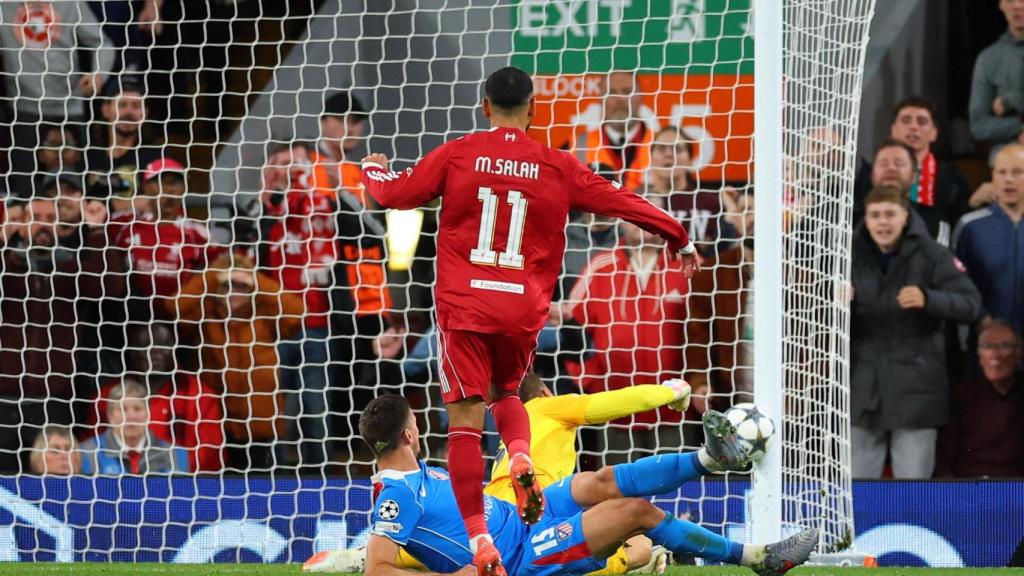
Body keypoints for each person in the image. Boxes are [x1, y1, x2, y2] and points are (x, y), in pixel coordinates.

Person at [360, 66, 696, 575]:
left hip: (466, 306)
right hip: (520, 309)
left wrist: (372, 168)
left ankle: (480, 538)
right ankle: (520, 453)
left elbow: (392, 196)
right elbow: (619, 199)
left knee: (466, 426)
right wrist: (676, 234)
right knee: (510, 395)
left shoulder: (459, 153)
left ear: (484, 106)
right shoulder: (556, 164)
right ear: (534, 110)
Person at [357, 394, 817, 576]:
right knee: (633, 511)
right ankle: (755, 558)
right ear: (411, 435)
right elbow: (378, 569)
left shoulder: (418, 475)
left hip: (522, 516)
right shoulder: (395, 496)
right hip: (521, 557)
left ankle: (708, 459)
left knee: (598, 480)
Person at [304, 373, 695, 575]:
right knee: (631, 542)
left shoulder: (507, 439)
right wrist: (669, 391)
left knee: (445, 542)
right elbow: (614, 402)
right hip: (534, 511)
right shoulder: (550, 408)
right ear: (544, 394)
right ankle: (653, 549)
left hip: (495, 508)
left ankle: (365, 555)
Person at [850, 186, 982, 479]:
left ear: (905, 217)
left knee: (913, 492)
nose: (882, 222)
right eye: (875, 215)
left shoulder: (933, 254)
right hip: (863, 392)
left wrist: (929, 299)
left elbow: (971, 305)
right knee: (856, 492)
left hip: (916, 392)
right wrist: (835, 300)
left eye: (889, 214)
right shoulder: (849, 255)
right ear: (866, 218)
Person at [556, 199, 695, 464]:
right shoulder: (600, 266)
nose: (642, 224)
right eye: (636, 217)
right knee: (614, 494)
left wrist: (697, 382)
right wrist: (591, 383)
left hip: (675, 406)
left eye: (651, 215)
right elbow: (573, 329)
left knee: (677, 491)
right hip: (616, 407)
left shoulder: (687, 266)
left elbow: (705, 332)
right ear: (622, 222)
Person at [0, 190, 126, 473]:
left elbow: (110, 288)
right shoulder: (9, 268)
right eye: (35, 218)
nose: (43, 225)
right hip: (3, 402)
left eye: (51, 218)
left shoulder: (73, 271)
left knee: (54, 488)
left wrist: (96, 229)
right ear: (20, 223)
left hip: (53, 404)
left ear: (62, 226)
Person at [169, 251, 304, 471]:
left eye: (242, 286)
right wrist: (213, 275)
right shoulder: (206, 312)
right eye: (228, 285)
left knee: (267, 493)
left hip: (262, 426)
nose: (235, 292)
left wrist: (254, 277)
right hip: (217, 423)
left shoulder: (264, 315)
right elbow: (173, 308)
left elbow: (297, 311)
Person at [0, 0, 114, 196]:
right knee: (27, 190)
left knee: (75, 188)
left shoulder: (70, 3)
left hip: (70, 106)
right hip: (23, 108)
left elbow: (102, 43)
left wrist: (98, 75)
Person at [93, 323, 225, 472]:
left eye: (163, 345)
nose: (154, 352)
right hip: (118, 483)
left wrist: (162, 471)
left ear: (175, 350)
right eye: (145, 345)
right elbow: (93, 449)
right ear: (131, 351)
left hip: (181, 484)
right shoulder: (107, 396)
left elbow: (209, 455)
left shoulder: (199, 395)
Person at [855, 97, 970, 247]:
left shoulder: (951, 179)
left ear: (934, 133)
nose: (913, 127)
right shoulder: (866, 176)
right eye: (906, 120)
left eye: (921, 122)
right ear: (893, 129)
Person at [685, 187, 756, 413]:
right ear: (733, 219)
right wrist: (699, 382)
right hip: (731, 404)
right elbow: (697, 336)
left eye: (761, 211)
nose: (754, 218)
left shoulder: (802, 276)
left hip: (788, 406)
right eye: (746, 210)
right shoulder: (712, 273)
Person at [952, 144, 1024, 341]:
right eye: (1002, 172)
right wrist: (981, 317)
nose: (1008, 179)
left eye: (1017, 172)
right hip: (987, 346)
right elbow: (956, 282)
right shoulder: (970, 226)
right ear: (993, 177)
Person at [936, 320, 1024, 478]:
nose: (995, 355)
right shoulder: (962, 395)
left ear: (1019, 354)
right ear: (979, 356)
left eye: (1004, 346)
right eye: (987, 347)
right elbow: (944, 458)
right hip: (968, 488)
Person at [646, 125, 736, 257]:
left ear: (690, 160)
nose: (669, 154)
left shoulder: (713, 202)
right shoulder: (639, 202)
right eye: (661, 148)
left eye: (678, 149)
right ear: (651, 158)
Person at [79, 379, 190, 475]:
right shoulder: (87, 452)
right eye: (123, 409)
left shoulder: (175, 454)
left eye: (137, 409)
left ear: (148, 414)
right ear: (110, 416)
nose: (131, 416)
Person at [573, 71, 654, 191]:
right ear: (600, 100)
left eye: (627, 91)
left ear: (640, 97)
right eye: (612, 93)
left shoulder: (663, 145)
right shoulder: (576, 146)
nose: (620, 99)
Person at [969, 0, 1024, 165]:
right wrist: (1019, 126)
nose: (1017, 5)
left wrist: (1011, 100)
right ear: (1001, 5)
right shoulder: (989, 58)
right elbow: (979, 126)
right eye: (1010, 0)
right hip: (1008, 161)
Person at [313, 90, 370, 204]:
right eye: (341, 119)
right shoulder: (303, 161)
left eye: (355, 120)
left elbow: (367, 220)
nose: (349, 129)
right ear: (322, 123)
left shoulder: (358, 174)